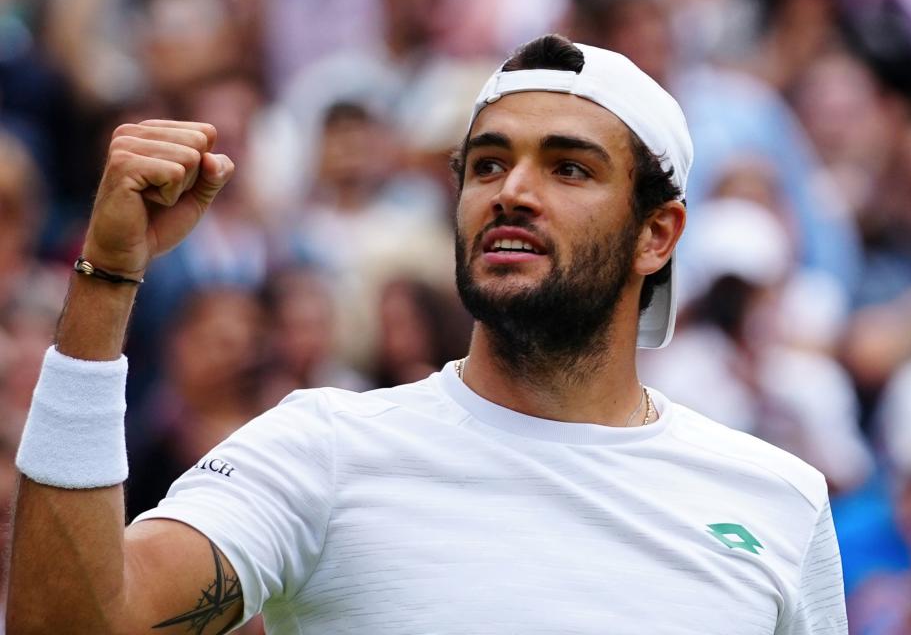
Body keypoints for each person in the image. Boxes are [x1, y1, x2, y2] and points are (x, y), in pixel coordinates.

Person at [6, 35, 847, 634]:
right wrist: (106, 282)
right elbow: (71, 627)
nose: (512, 190)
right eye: (487, 163)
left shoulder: (777, 498)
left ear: (657, 235)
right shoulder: (320, 449)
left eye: (568, 167)